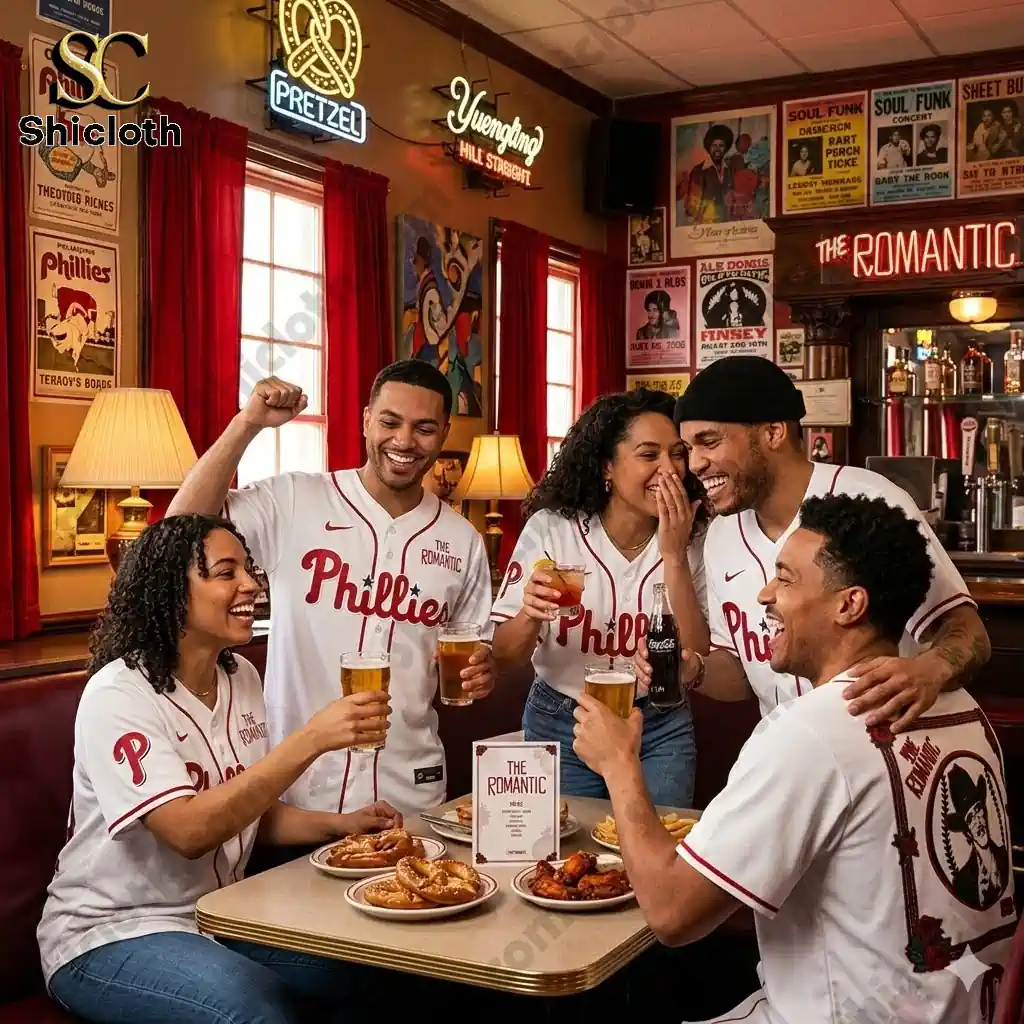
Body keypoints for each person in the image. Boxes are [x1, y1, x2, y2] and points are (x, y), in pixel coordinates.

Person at [574, 494, 1014, 1023]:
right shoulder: (962, 706)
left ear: (848, 605)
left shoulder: (812, 731)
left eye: (784, 579)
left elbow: (672, 913)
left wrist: (620, 765)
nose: (763, 595)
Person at [38, 514, 401, 1023]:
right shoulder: (118, 694)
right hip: (108, 933)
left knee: (373, 971)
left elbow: (246, 810)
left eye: (249, 569)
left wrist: (340, 825)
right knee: (257, 1009)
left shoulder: (240, 677)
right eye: (226, 571)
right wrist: (310, 741)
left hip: (221, 915)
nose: (251, 583)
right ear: (170, 592)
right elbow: (187, 830)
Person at [166, 360, 496, 821]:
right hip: (294, 798)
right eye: (389, 422)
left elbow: (471, 662)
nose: (403, 441)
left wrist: (481, 672)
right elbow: (178, 535)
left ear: (443, 433)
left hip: (412, 796)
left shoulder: (462, 541)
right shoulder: (297, 499)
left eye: (423, 428)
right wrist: (246, 425)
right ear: (365, 420)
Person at [638, 355, 989, 729]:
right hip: (791, 750)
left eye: (709, 442)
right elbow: (742, 674)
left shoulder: (868, 501)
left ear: (773, 432)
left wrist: (928, 670)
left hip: (879, 744)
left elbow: (968, 632)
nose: (694, 464)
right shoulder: (721, 535)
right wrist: (694, 671)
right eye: (689, 448)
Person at [491, 388, 708, 805]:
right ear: (607, 466)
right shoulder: (553, 530)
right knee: (568, 857)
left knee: (659, 849)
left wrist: (674, 555)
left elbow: (699, 655)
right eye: (649, 455)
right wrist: (531, 614)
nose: (669, 469)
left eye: (677, 453)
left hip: (660, 719)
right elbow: (503, 655)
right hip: (564, 716)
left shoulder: (697, 537)